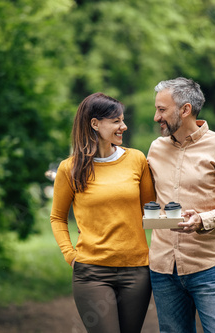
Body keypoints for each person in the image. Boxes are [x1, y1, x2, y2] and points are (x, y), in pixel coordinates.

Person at [147, 77, 215, 333]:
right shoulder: (155, 149)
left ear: (185, 109)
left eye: (162, 110)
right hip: (163, 268)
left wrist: (203, 220)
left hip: (208, 266)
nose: (156, 117)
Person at [50, 92, 156, 333]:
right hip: (92, 273)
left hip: (136, 271)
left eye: (123, 120)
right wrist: (70, 255)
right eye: (116, 121)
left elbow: (151, 211)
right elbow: (57, 217)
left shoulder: (136, 160)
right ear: (95, 124)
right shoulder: (70, 168)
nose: (123, 126)